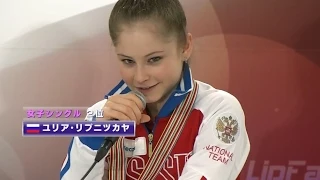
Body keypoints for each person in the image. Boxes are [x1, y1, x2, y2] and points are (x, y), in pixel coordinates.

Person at [59, 0, 250, 179]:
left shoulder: (218, 110)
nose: (140, 77)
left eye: (154, 59)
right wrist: (92, 139)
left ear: (185, 46)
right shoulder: (100, 115)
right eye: (128, 61)